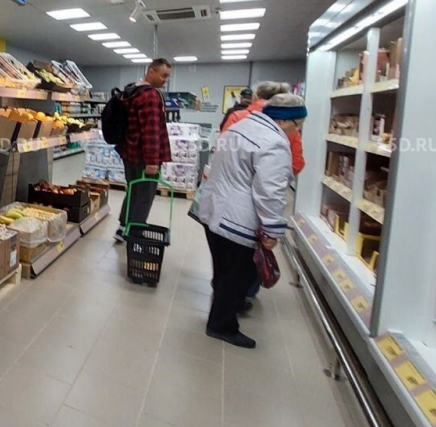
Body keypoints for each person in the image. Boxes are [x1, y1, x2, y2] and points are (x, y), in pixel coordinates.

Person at [194, 93, 307, 348]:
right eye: (297, 125)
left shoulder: (239, 127)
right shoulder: (274, 143)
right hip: (239, 217)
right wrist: (272, 230)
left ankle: (225, 306)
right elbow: (270, 192)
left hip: (214, 209)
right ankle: (222, 325)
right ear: (285, 121)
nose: (296, 131)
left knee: (223, 267)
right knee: (241, 273)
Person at [114, 58, 172, 242]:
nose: (165, 80)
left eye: (168, 77)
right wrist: (152, 162)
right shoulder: (151, 96)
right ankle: (135, 233)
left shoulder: (131, 91)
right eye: (163, 75)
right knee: (145, 195)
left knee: (132, 191)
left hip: (129, 153)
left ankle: (122, 227)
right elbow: (151, 131)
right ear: (151, 71)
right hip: (144, 157)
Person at [223, 81, 305, 175]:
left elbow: (223, 152)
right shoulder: (290, 125)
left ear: (255, 96)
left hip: (236, 178)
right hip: (274, 179)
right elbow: (297, 163)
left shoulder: (237, 117)